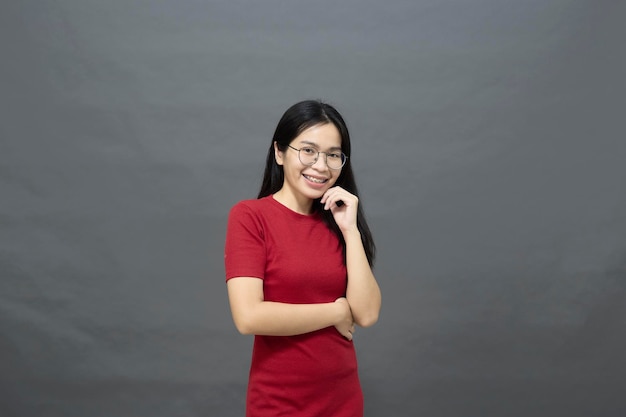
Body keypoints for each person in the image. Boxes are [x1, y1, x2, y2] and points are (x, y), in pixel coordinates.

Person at [224, 99, 381, 417]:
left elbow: (366, 314)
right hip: (279, 404)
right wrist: (335, 311)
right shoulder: (251, 217)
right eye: (308, 150)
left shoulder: (339, 222)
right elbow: (249, 317)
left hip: (343, 401)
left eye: (333, 155)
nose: (321, 166)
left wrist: (350, 230)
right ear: (280, 152)